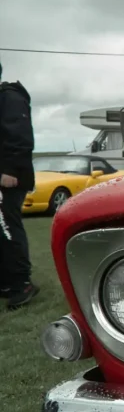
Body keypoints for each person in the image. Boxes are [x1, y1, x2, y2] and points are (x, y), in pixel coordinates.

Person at [0, 60, 40, 309]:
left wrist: (9, 170)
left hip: (9, 177)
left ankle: (21, 283)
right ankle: (6, 281)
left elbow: (20, 136)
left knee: (7, 227)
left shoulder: (10, 98)